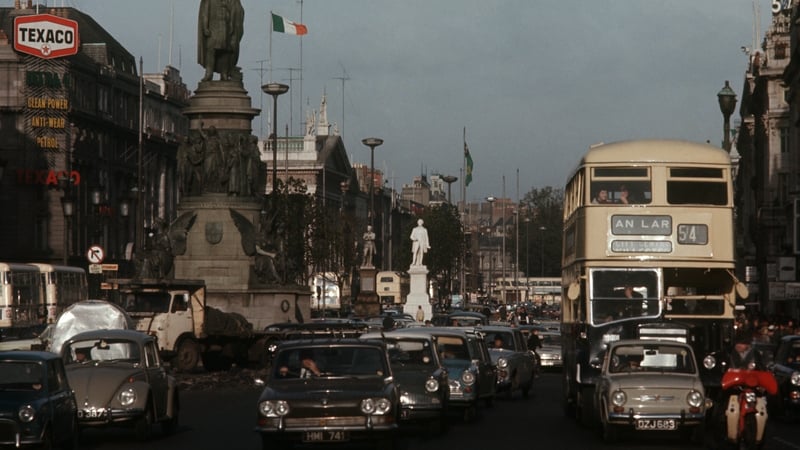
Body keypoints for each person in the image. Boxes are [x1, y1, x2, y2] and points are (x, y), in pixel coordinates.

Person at [198, 0, 244, 81]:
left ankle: (224, 73)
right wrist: (205, 27)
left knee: (225, 51)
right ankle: (209, 73)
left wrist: (232, 24)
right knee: (211, 50)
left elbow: (234, 9)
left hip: (225, 27)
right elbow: (205, 12)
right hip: (213, 28)